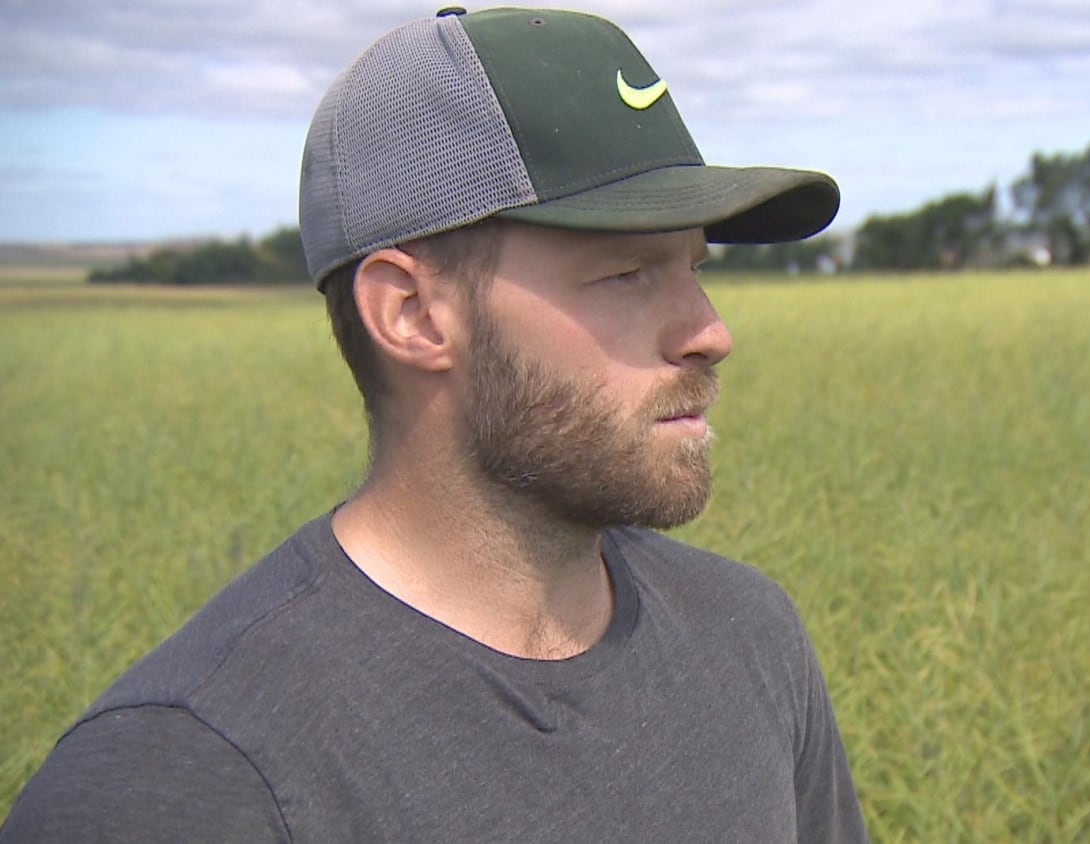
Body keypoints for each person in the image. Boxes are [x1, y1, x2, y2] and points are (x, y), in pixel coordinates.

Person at [1, 7, 868, 842]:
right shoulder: (182, 781)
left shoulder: (748, 637)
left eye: (693, 266)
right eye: (627, 273)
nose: (710, 332)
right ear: (412, 313)